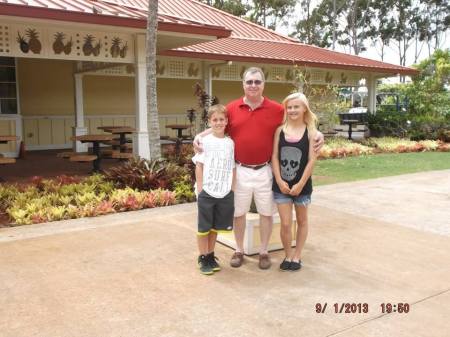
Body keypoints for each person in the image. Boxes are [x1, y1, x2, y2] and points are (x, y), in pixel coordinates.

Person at [194, 67, 324, 270]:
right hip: (240, 170)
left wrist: (318, 134)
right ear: (243, 84)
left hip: (265, 170)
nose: (253, 85)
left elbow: (298, 121)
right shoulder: (232, 107)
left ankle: (263, 251)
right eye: (249, 82)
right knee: (238, 214)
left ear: (263, 84)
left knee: (266, 213)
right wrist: (200, 136)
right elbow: (219, 124)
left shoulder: (277, 109)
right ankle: (239, 250)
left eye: (257, 82)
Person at [271, 93, 318, 271]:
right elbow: (274, 156)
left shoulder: (311, 133)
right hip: (281, 186)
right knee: (285, 223)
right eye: (289, 107)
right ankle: (288, 255)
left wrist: (300, 185)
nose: (292, 110)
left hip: (302, 187)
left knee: (302, 220)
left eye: (296, 107)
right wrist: (279, 180)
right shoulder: (279, 131)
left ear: (304, 108)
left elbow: (312, 160)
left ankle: (297, 256)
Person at [192, 104, 236, 275]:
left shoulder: (230, 143)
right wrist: (201, 190)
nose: (218, 122)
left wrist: (231, 189)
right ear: (209, 122)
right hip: (207, 193)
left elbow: (232, 167)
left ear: (226, 121)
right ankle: (202, 257)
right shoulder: (204, 142)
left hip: (224, 192)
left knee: (215, 227)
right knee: (203, 228)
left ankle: (210, 255)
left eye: (221, 119)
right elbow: (199, 165)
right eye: (215, 120)